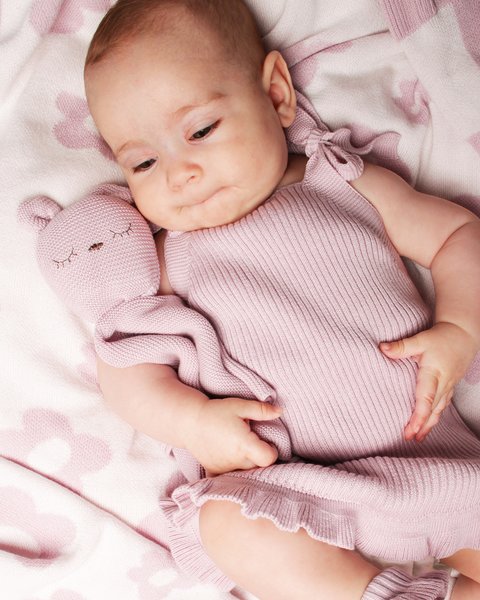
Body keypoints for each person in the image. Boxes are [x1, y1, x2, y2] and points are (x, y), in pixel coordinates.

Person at [83, 1, 480, 598]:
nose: (179, 173)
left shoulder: (344, 184)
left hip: (430, 461)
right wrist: (192, 422)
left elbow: (457, 236)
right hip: (293, 485)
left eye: (200, 131)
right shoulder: (162, 261)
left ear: (276, 95)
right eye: (143, 162)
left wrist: (460, 328)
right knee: (227, 524)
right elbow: (123, 371)